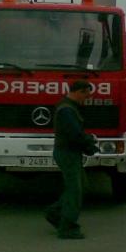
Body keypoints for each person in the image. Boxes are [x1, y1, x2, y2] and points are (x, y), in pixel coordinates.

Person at [44, 80, 98, 239]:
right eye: (86, 95)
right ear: (79, 92)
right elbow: (74, 134)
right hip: (67, 153)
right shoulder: (67, 110)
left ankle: (55, 212)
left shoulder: (68, 107)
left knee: (81, 186)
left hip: (69, 152)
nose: (86, 99)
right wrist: (89, 144)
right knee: (75, 190)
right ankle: (67, 227)